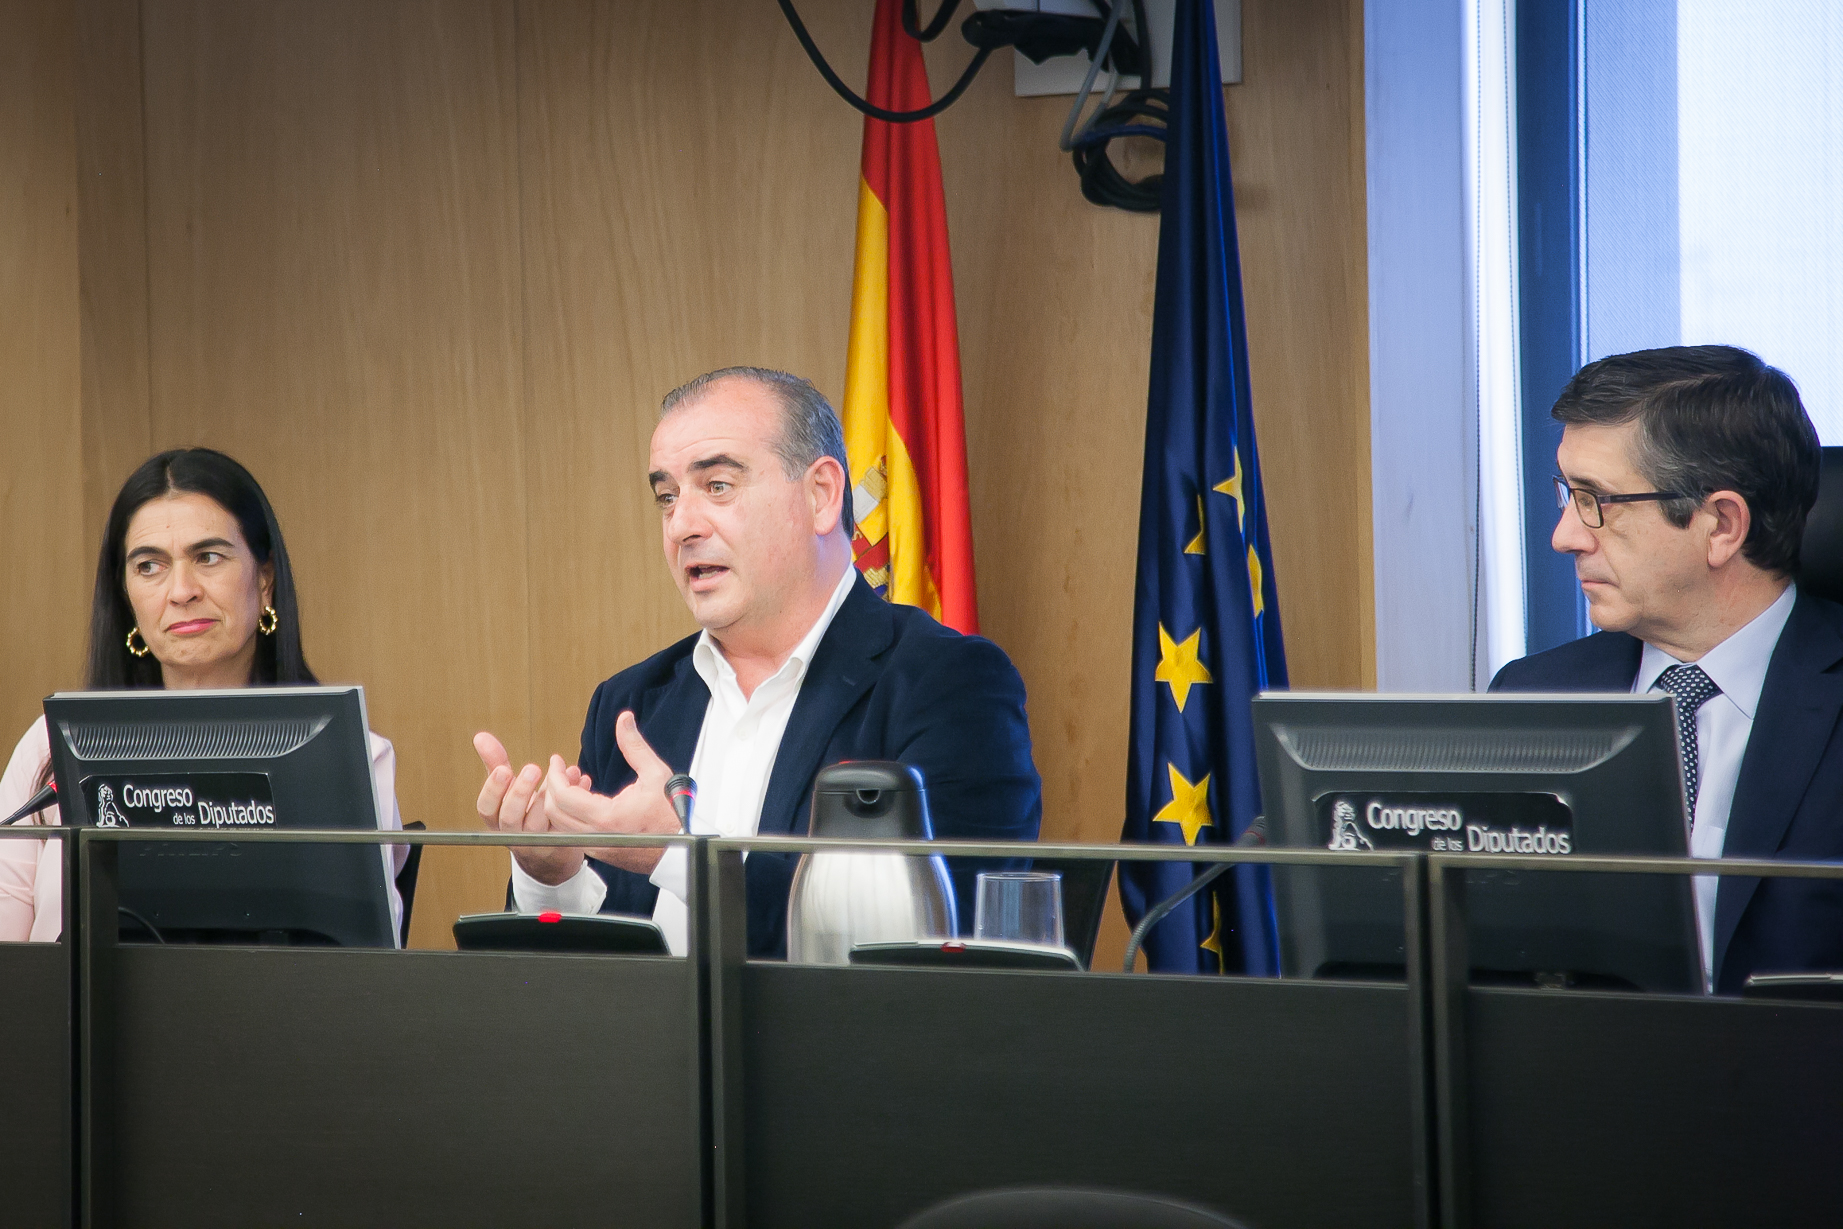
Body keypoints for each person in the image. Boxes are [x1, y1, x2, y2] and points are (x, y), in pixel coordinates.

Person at [474, 366, 1041, 957]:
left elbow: (935, 936)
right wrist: (551, 877)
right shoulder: (630, 704)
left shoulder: (949, 686)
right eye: (667, 497)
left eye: (717, 485)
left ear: (821, 495)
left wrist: (677, 856)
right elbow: (572, 996)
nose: (683, 526)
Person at [1492, 345, 1842, 993]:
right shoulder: (1531, 694)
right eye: (1567, 494)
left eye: (1596, 499)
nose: (1564, 534)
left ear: (1720, 524)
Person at [0, 449, 407, 942]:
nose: (181, 590)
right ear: (127, 597)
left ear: (265, 577)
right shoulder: (47, 748)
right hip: (67, 1019)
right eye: (149, 566)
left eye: (208, 557)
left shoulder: (353, 755)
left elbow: (361, 969)